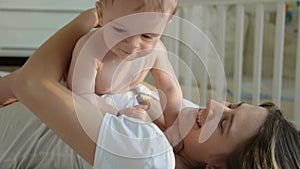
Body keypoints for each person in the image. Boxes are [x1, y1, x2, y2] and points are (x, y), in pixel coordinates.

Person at [0, 8, 299, 169]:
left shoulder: (151, 158)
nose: (214, 104)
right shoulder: (181, 132)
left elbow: (29, 83)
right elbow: (130, 87)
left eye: (223, 123)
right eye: (231, 105)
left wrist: (91, 19)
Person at [66, 0, 182, 129]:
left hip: (131, 97)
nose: (133, 45)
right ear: (101, 14)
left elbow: (169, 88)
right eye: (120, 30)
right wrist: (116, 113)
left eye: (147, 36)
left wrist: (173, 126)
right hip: (95, 105)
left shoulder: (156, 51)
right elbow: (80, 95)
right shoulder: (91, 49)